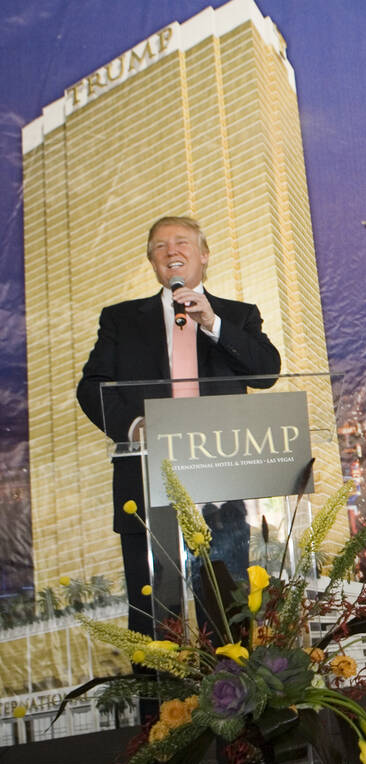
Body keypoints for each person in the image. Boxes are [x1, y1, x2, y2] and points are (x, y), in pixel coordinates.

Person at [77, 216, 281, 642]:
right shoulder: (121, 320)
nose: (172, 251)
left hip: (221, 490)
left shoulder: (238, 316)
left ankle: (235, 706)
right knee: (155, 630)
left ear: (203, 256)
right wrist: (133, 428)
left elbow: (266, 373)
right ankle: (161, 711)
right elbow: (91, 387)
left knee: (227, 622)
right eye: (160, 246)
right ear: (152, 261)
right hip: (147, 490)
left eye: (182, 242)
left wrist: (213, 324)